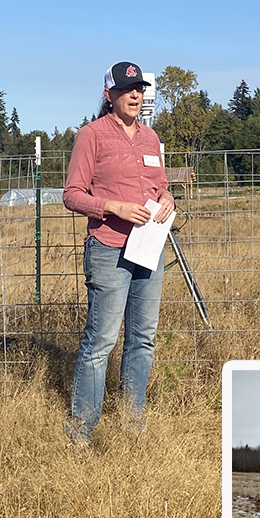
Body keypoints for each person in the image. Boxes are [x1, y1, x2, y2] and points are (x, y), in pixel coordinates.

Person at [63, 61, 175, 447]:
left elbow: (161, 185)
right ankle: (81, 432)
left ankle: (132, 423)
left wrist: (167, 197)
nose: (135, 95)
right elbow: (72, 194)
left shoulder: (150, 138)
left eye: (139, 89)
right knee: (101, 342)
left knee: (142, 339)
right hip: (109, 248)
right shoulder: (90, 136)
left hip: (148, 248)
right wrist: (114, 207)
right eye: (127, 89)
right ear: (109, 95)